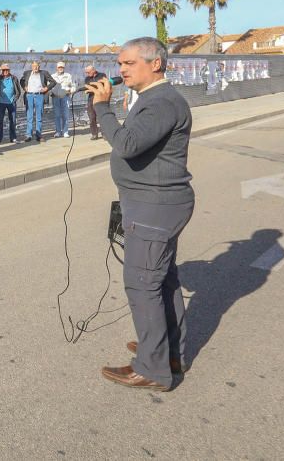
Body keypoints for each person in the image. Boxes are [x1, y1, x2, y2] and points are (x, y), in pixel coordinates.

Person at [89, 37, 194, 392]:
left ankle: (153, 367)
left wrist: (102, 108)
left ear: (155, 64)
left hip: (155, 205)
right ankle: (167, 351)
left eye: (128, 64)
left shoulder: (162, 102)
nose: (120, 70)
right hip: (150, 202)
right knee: (162, 280)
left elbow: (127, 144)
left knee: (142, 283)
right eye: (119, 64)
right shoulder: (153, 99)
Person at [20, 61, 57, 142]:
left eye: (37, 66)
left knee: (39, 116)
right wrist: (24, 87)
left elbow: (53, 82)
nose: (35, 67)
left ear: (39, 67)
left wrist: (47, 88)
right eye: (34, 66)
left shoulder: (44, 73)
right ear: (31, 67)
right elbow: (21, 81)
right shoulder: (27, 73)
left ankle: (38, 135)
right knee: (29, 116)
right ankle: (28, 135)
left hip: (39, 96)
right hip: (29, 96)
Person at [0, 63, 22, 144]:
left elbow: (18, 91)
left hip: (11, 103)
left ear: (9, 70)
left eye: (7, 70)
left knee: (12, 121)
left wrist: (14, 99)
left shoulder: (14, 78)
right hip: (0, 103)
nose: (5, 71)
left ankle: (13, 138)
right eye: (4, 70)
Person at [84, 64, 107, 140]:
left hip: (101, 98)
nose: (87, 74)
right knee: (92, 118)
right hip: (91, 99)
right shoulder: (87, 78)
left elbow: (104, 85)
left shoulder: (102, 75)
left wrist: (92, 88)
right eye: (86, 72)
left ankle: (105, 134)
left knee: (101, 117)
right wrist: (95, 87)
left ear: (93, 70)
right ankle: (94, 134)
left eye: (88, 72)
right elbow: (87, 87)